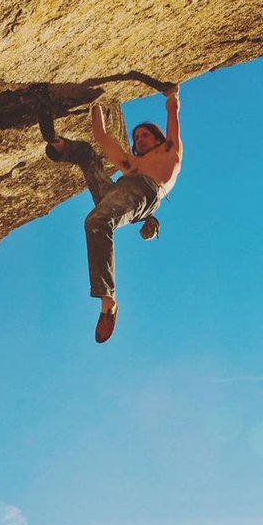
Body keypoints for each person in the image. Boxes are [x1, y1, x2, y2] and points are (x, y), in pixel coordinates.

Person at [43, 85, 182, 342]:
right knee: (87, 154)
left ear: (158, 138)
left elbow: (173, 115)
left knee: (97, 221)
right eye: (136, 137)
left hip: (144, 192)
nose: (139, 140)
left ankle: (109, 300)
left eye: (145, 135)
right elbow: (101, 135)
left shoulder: (170, 151)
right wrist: (95, 103)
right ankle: (57, 143)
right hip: (118, 192)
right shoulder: (131, 163)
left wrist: (173, 95)